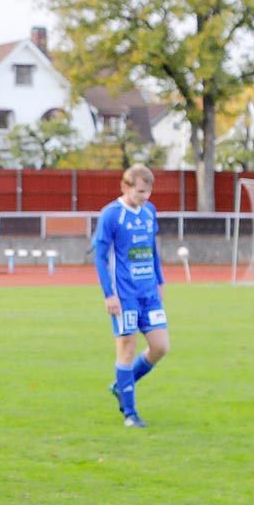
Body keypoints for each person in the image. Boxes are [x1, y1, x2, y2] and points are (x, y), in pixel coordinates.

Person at [93, 164, 170, 428]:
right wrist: (109, 294)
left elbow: (151, 249)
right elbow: (100, 258)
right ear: (125, 187)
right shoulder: (111, 215)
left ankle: (121, 385)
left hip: (149, 293)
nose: (145, 197)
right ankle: (130, 414)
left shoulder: (149, 212)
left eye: (148, 192)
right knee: (127, 349)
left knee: (161, 347)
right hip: (124, 295)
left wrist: (160, 280)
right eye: (140, 192)